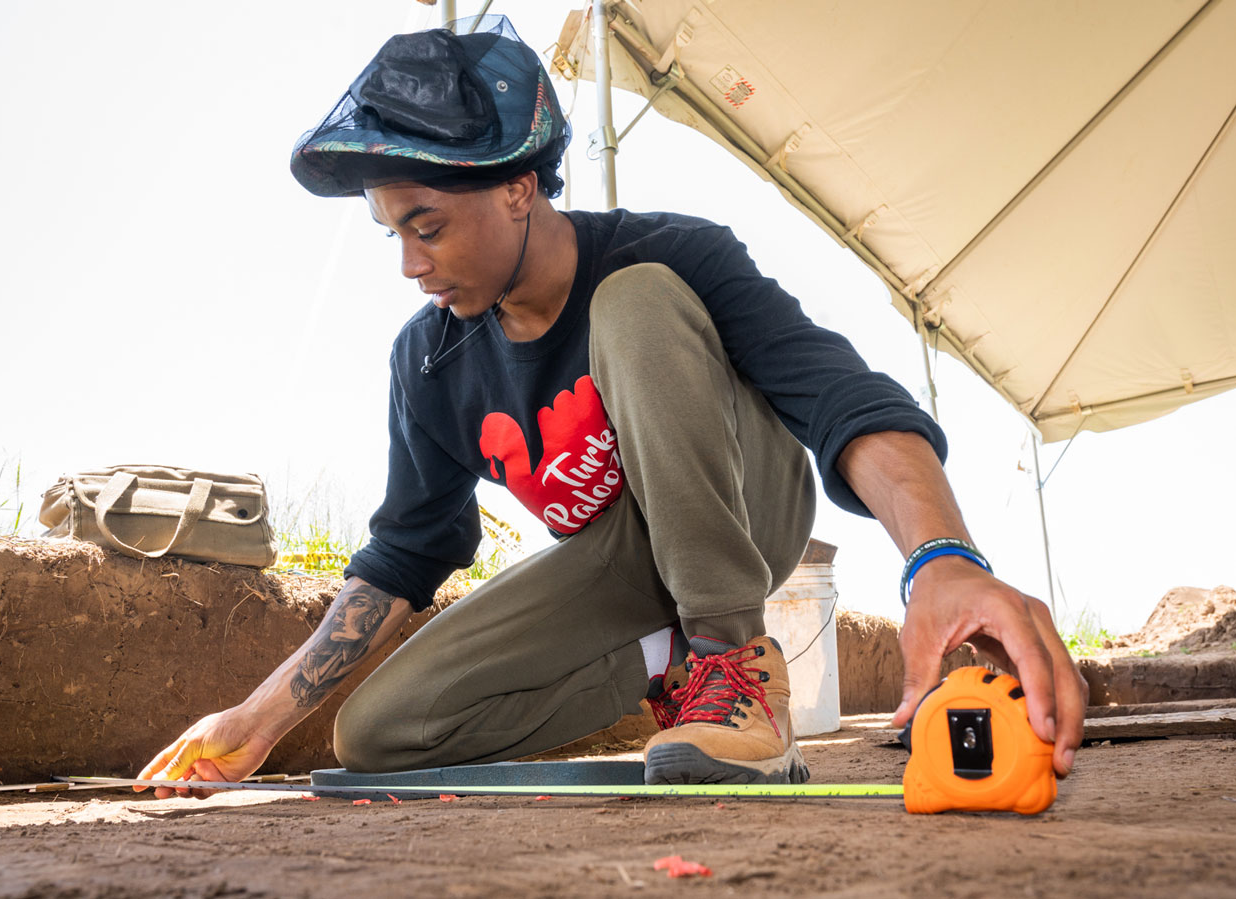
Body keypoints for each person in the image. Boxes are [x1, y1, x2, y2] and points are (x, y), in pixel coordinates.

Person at [137, 16, 1086, 798]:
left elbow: (841, 399)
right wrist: (256, 720)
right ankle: (671, 661)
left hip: (745, 509)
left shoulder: (675, 252)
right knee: (381, 731)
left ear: (516, 190)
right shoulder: (428, 364)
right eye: (393, 232)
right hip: (629, 566)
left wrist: (944, 557)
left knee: (632, 301)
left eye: (426, 226)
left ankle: (736, 666)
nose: (409, 264)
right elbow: (403, 555)